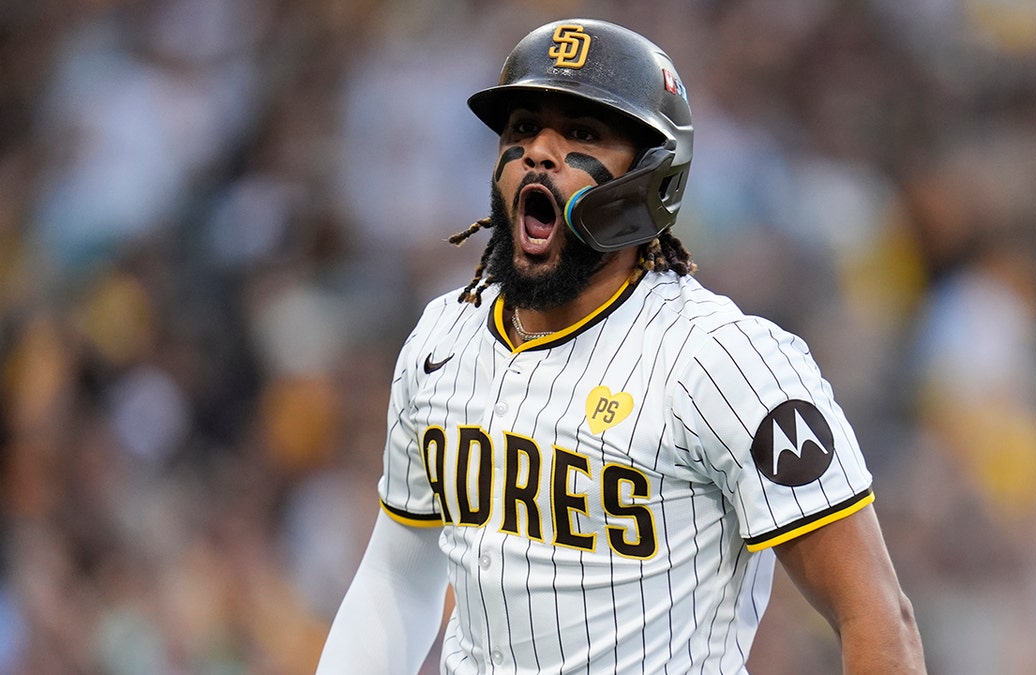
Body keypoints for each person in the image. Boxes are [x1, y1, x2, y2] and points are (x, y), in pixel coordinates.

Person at [317, 18, 925, 674]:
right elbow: (398, 578)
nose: (538, 153)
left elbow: (875, 614)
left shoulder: (722, 359)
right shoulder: (443, 335)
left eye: (581, 133)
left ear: (650, 179)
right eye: (522, 127)